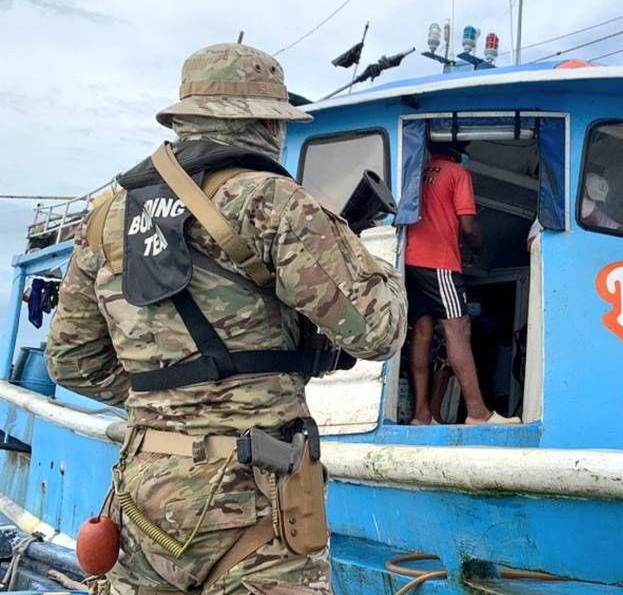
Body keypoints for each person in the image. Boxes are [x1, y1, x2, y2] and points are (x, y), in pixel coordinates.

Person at [45, 42, 407, 595]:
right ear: (265, 122)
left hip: (144, 494)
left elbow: (71, 363)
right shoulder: (271, 201)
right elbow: (378, 331)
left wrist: (175, 406)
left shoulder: (106, 217)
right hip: (259, 495)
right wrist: (374, 266)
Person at [404, 142, 517, 425]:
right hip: (439, 262)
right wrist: (478, 251)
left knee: (422, 331)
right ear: (460, 151)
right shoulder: (457, 173)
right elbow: (468, 225)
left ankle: (421, 415)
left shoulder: (415, 173)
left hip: (410, 259)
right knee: (458, 329)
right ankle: (478, 412)